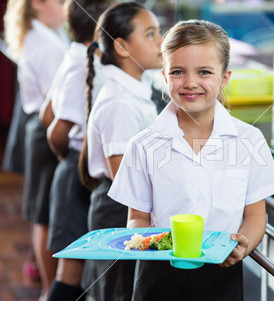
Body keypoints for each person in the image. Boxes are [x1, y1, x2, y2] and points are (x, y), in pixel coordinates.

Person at [108, 19, 274, 301]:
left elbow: (255, 215)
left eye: (204, 72)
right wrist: (153, 245)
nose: (190, 83)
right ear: (165, 76)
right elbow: (137, 219)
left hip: (223, 278)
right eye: (178, 72)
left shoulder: (248, 141)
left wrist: (244, 244)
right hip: (158, 278)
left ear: (224, 77)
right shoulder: (143, 145)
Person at [78, 1, 163, 300]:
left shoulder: (133, 90)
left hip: (130, 208)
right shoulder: (119, 102)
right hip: (119, 211)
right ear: (123, 47)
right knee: (117, 295)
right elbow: (122, 176)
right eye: (150, 34)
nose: (161, 42)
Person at [40, 0, 116, 301]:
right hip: (76, 174)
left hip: (75, 169)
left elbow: (47, 112)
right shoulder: (85, 65)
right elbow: (56, 129)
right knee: (69, 277)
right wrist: (71, 160)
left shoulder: (75, 57)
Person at [3, 0, 68, 300]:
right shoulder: (44, 44)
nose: (66, 7)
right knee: (43, 214)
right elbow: (53, 101)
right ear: (38, 4)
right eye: (60, 2)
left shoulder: (45, 34)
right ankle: (47, 291)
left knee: (43, 212)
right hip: (46, 131)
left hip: (41, 128)